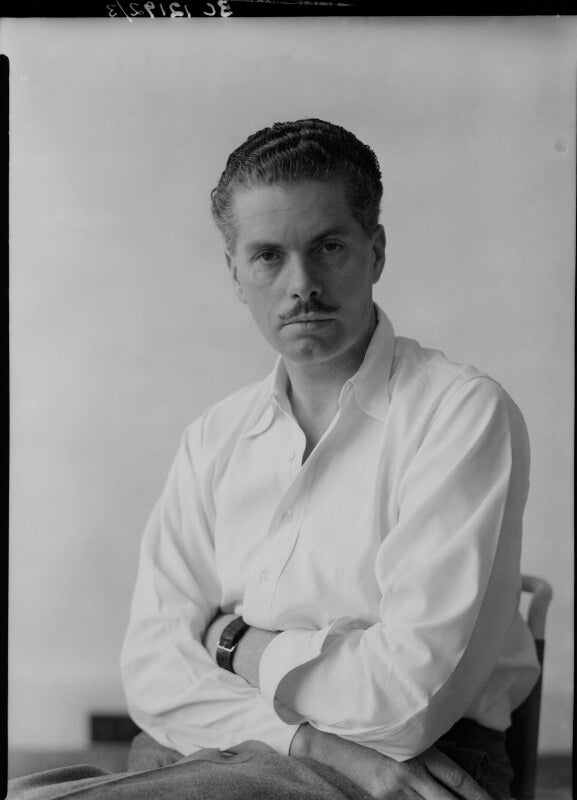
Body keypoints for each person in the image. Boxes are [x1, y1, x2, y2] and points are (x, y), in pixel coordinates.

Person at [8, 118, 540, 800]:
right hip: (223, 749)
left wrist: (232, 642)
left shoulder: (459, 413)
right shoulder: (214, 436)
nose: (301, 284)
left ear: (375, 252)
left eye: (328, 247)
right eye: (267, 256)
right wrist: (309, 739)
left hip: (418, 767)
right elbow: (152, 673)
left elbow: (406, 705)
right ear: (235, 273)